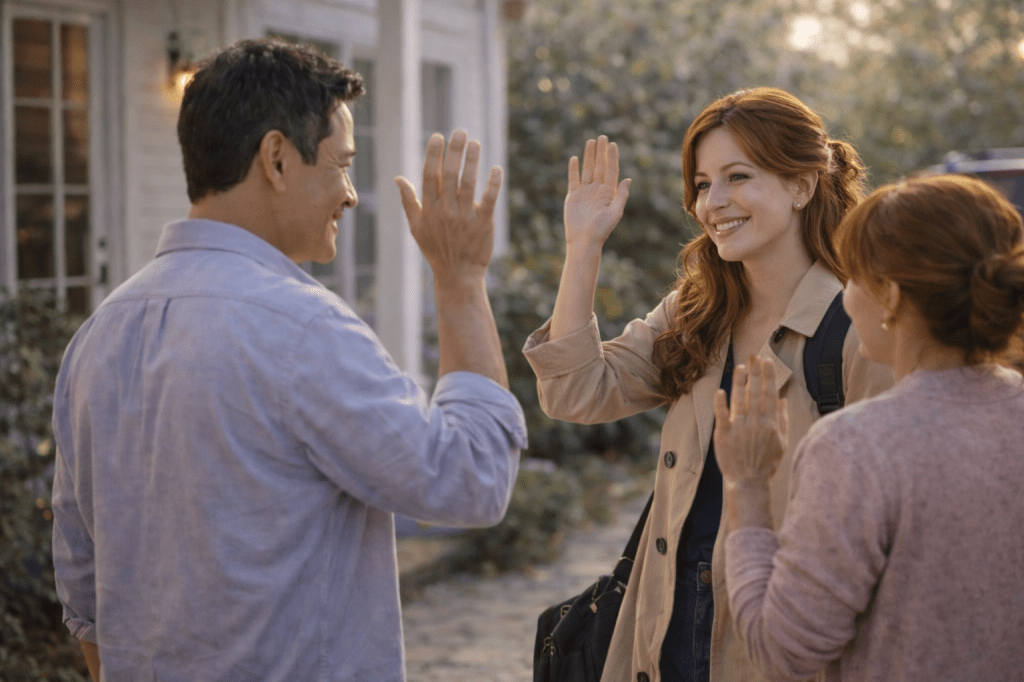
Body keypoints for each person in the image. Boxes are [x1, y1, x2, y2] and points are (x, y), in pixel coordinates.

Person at [51, 38, 526, 682]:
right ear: (277, 158)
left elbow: (85, 598)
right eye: (342, 164)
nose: (352, 194)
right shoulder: (302, 329)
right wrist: (461, 280)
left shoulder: (97, 337)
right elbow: (470, 479)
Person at [522, 86, 893, 682]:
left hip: (776, 649)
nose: (713, 202)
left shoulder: (858, 328)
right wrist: (583, 247)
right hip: (665, 635)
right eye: (701, 184)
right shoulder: (696, 311)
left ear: (802, 186)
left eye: (738, 176)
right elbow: (575, 392)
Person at [715, 174, 1024, 681]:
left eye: (853, 276)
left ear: (894, 297)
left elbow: (784, 653)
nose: (846, 297)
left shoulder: (859, 447)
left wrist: (747, 485)